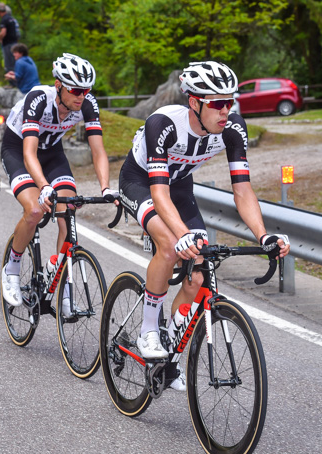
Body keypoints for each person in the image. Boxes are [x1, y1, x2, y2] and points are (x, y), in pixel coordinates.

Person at [117, 61, 290, 388]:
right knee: (170, 247)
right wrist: (181, 235)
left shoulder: (234, 127)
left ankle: (170, 357)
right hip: (141, 182)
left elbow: (242, 189)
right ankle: (148, 331)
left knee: (198, 274)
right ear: (194, 103)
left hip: (180, 186)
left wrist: (264, 235)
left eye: (231, 101)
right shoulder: (164, 123)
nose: (228, 110)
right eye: (219, 103)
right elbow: (158, 192)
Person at [0, 53, 118, 314]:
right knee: (34, 210)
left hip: (52, 152)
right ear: (58, 85)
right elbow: (29, 152)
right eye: (76, 90)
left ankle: (63, 288)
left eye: (86, 90)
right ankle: (12, 268)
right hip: (19, 150)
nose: (82, 96)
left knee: (69, 210)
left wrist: (106, 187)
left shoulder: (87, 104)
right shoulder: (37, 99)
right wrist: (43, 186)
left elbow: (98, 151)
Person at [0, 2, 20, 82]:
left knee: (9, 64)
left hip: (8, 45)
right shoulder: (12, 19)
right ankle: (16, 82)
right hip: (15, 44)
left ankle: (12, 83)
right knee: (14, 62)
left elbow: (3, 32)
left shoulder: (4, 20)